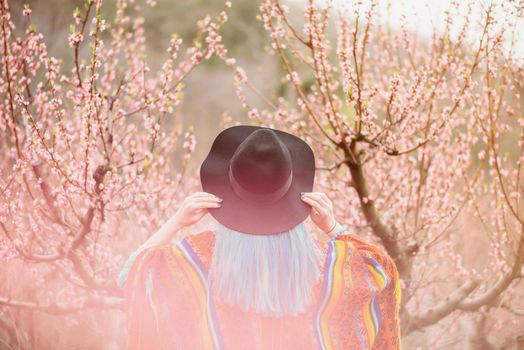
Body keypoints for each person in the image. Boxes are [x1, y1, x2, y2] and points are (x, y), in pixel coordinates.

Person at [116, 125, 402, 349]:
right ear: (294, 194)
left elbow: (133, 275)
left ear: (227, 190)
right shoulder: (329, 266)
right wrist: (334, 227)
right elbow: (380, 269)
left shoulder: (193, 261)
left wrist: (175, 222)